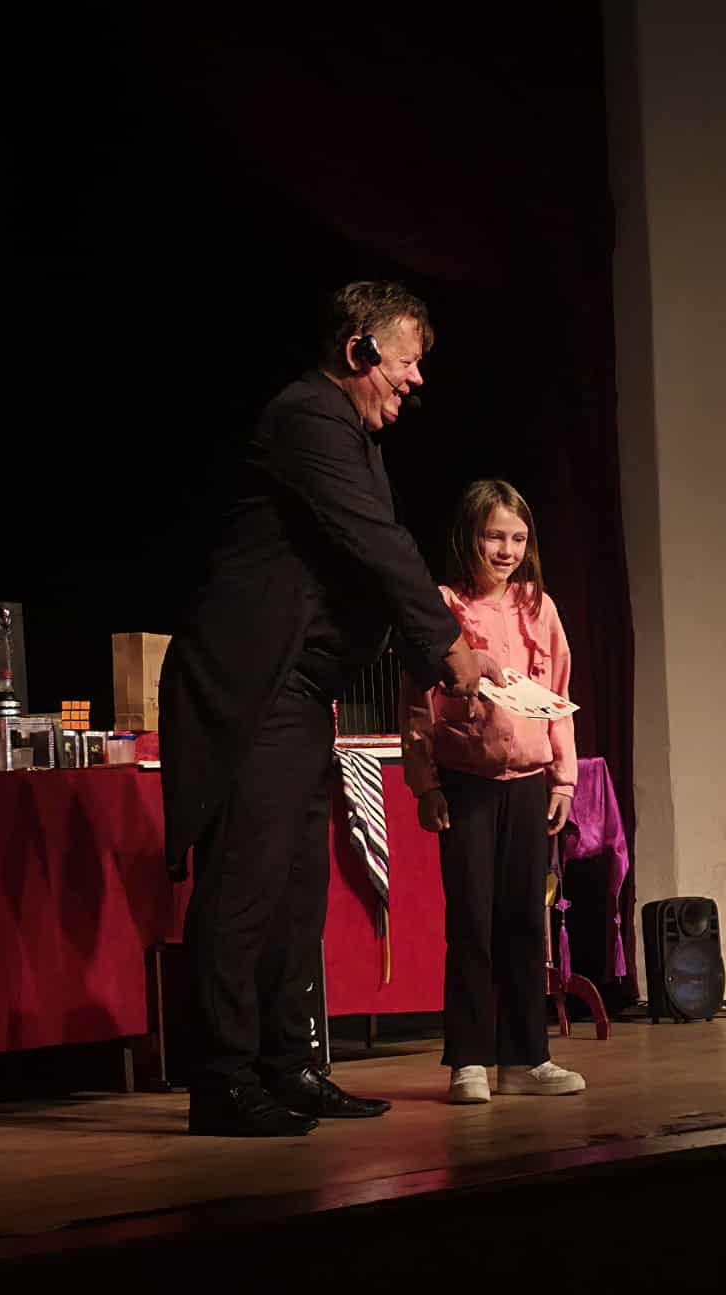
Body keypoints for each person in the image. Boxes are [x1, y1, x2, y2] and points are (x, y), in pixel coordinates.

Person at [160, 282, 506, 1137]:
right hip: (255, 687)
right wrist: (448, 647)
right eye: (406, 361)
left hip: (303, 693)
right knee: (245, 883)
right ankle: (222, 1079)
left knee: (295, 890)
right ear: (358, 351)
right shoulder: (307, 418)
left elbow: (368, 565)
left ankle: (289, 1064)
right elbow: (377, 546)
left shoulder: (350, 436)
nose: (416, 379)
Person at [401, 480, 585, 1104]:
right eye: (494, 537)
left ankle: (526, 1058)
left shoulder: (540, 608)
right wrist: (426, 784)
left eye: (517, 538)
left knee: (525, 922)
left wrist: (563, 778)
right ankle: (469, 1060)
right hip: (467, 783)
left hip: (528, 782)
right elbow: (419, 705)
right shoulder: (444, 607)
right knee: (472, 921)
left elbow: (559, 695)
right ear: (468, 538)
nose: (506, 550)